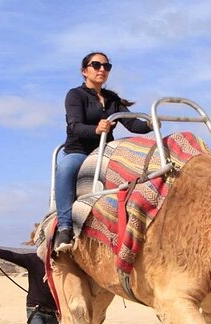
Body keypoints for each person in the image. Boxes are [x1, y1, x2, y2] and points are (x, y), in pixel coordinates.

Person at [54, 51, 154, 253]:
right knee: (65, 168)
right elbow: (74, 126)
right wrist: (96, 130)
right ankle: (64, 227)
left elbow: (132, 124)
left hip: (107, 153)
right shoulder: (75, 95)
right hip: (80, 152)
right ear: (85, 71)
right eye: (96, 65)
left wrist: (151, 124)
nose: (102, 69)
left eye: (106, 66)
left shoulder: (112, 99)